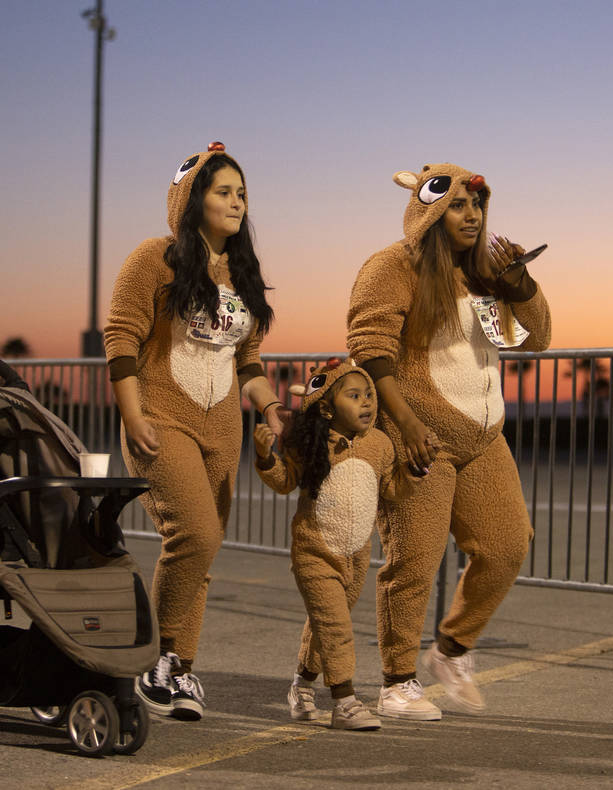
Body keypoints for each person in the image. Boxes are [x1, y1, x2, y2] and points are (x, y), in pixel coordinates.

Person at [347, 163, 551, 719]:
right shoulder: (395, 265)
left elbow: (537, 341)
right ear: (431, 209)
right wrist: (407, 423)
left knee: (508, 544)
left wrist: (520, 285)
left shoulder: (484, 271)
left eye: (477, 205)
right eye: (458, 205)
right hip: (422, 437)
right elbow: (369, 345)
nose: (472, 215)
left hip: (484, 441)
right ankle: (396, 684)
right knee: (414, 561)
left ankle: (453, 649)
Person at [104, 143, 283, 721]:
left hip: (222, 428)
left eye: (241, 194)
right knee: (197, 533)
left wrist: (270, 406)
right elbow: (121, 338)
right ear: (191, 198)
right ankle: (155, 663)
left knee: (199, 551)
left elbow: (248, 360)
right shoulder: (154, 258)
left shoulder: (242, 272)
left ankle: (178, 668)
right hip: (163, 418)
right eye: (222, 192)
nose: (236, 203)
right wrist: (134, 417)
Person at [253, 358, 423, 731]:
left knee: (327, 623)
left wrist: (414, 470)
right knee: (336, 626)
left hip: (356, 555)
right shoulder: (312, 445)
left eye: (368, 395)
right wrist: (266, 458)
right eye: (354, 395)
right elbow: (285, 481)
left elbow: (392, 489)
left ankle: (301, 685)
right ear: (326, 408)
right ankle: (344, 700)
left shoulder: (379, 444)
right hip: (314, 551)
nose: (366, 403)